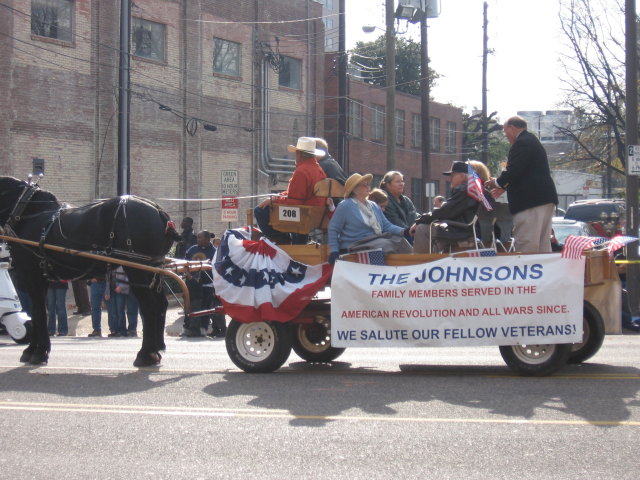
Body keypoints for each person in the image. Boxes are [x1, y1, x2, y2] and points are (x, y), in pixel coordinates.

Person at [485, 115, 558, 253]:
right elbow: (524, 172)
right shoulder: (532, 140)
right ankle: (542, 273)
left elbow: (514, 170)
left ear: (512, 128)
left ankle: (527, 272)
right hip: (544, 198)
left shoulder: (522, 143)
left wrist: (496, 183)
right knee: (543, 244)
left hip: (530, 201)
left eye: (506, 132)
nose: (506, 136)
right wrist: (504, 186)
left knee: (527, 244)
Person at [254, 136, 328, 243]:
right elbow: (295, 194)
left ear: (299, 154)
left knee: (259, 211)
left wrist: (273, 200)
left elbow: (294, 201)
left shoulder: (302, 171)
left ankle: (283, 241)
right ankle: (289, 239)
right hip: (312, 214)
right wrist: (278, 196)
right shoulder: (319, 170)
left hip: (301, 215)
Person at [328, 173, 412, 264]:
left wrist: (406, 231)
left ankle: (410, 267)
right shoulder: (346, 205)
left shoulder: (373, 205)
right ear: (354, 189)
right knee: (385, 245)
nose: (368, 187)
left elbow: (386, 225)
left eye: (368, 184)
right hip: (356, 243)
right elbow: (333, 228)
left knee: (401, 241)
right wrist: (334, 251)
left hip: (374, 240)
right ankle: (386, 271)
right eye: (365, 185)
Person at [410, 161, 489, 254]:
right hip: (471, 229)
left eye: (452, 175)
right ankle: (436, 261)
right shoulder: (476, 189)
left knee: (422, 228)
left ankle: (421, 263)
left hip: (463, 230)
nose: (450, 179)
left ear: (462, 176)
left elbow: (445, 212)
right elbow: (448, 211)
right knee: (435, 227)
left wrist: (420, 220)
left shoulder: (464, 190)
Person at [184, 230, 216, 337]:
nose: (197, 240)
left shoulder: (214, 251)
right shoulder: (192, 249)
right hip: (193, 285)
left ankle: (203, 328)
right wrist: (189, 276)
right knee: (191, 306)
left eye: (200, 238)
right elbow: (185, 264)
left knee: (206, 307)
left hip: (207, 285)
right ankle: (189, 328)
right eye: (197, 237)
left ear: (207, 239)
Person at [379, 171, 418, 243]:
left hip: (411, 234)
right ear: (388, 184)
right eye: (397, 182)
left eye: (402, 181)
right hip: (395, 238)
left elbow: (416, 217)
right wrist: (412, 231)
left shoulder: (406, 200)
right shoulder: (385, 201)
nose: (401, 184)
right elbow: (395, 223)